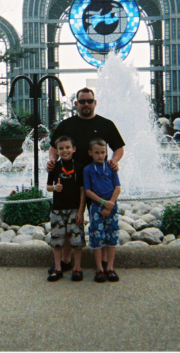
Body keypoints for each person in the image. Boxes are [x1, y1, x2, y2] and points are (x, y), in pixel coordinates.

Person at [47, 87, 125, 273]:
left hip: (100, 185)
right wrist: (52, 160)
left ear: (95, 102)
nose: (86, 104)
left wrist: (113, 161)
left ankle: (105, 262)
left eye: (89, 101)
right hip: (71, 182)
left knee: (103, 219)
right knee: (71, 220)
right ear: (76, 104)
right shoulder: (66, 124)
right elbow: (53, 147)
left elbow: (119, 148)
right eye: (82, 101)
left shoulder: (106, 124)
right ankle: (66, 260)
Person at [46, 136, 86, 282]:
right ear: (57, 151)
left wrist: (81, 210)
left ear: (74, 149)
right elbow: (48, 187)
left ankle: (77, 268)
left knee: (76, 240)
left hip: (75, 209)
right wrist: (55, 188)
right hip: (58, 209)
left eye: (68, 147)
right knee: (57, 239)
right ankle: (58, 268)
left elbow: (83, 191)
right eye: (61, 148)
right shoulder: (54, 167)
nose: (65, 151)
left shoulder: (80, 167)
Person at [84, 138, 121, 283]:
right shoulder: (88, 170)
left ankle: (110, 267)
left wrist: (110, 203)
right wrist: (103, 203)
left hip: (112, 205)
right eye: (97, 153)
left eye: (103, 152)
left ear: (107, 152)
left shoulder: (111, 168)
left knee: (111, 236)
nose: (100, 155)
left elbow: (117, 187)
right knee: (97, 237)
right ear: (90, 153)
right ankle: (99, 268)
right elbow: (87, 191)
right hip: (96, 207)